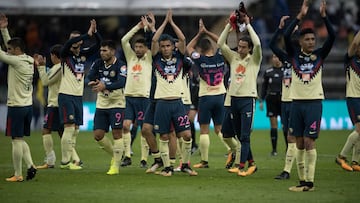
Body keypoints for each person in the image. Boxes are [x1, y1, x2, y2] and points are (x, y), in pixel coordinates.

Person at [284, 0, 335, 191]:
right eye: (307, 39)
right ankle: (302, 181)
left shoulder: (321, 54)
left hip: (314, 103)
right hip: (296, 103)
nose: (311, 42)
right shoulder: (294, 55)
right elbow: (285, 35)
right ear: (300, 42)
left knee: (308, 141)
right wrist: (299, 16)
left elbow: (333, 37)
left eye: (313, 39)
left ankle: (310, 182)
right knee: (298, 142)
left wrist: (324, 17)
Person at [151, 9, 197, 176]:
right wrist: (164, 23)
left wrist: (172, 23)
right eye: (163, 46)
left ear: (173, 46)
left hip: (178, 102)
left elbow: (183, 39)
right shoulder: (155, 59)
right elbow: (155, 39)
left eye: (168, 45)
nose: (164, 48)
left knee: (186, 134)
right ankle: (168, 167)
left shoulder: (179, 58)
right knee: (163, 136)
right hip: (162, 103)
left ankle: (185, 164)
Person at [217, 10, 262, 177]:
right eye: (240, 46)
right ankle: (251, 164)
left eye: (244, 47)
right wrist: (230, 23)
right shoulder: (234, 57)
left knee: (244, 135)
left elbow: (257, 44)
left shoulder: (254, 59)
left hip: (247, 100)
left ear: (249, 49)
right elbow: (220, 44)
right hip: (234, 100)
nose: (240, 49)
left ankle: (241, 166)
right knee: (238, 134)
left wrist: (248, 25)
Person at [186, 18, 231, 168]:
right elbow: (222, 42)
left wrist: (200, 33)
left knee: (204, 130)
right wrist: (208, 33)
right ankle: (233, 149)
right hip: (220, 96)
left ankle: (204, 161)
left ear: (200, 50)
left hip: (205, 97)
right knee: (219, 128)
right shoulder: (220, 56)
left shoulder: (200, 59)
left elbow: (188, 47)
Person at [59, 19, 101, 170]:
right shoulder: (64, 54)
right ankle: (65, 161)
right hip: (66, 95)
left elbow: (99, 45)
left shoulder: (82, 54)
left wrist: (94, 33)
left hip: (78, 96)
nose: (75, 43)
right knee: (69, 128)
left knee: (75, 129)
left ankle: (71, 159)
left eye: (77, 40)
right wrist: (85, 34)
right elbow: (70, 43)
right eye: (72, 40)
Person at [0, 13, 37, 182]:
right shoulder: (28, 59)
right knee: (20, 138)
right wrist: (4, 29)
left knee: (15, 140)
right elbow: (10, 47)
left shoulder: (16, 62)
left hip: (16, 106)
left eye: (10, 50)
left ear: (16, 51)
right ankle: (30, 166)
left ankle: (18, 174)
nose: (8, 52)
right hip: (27, 105)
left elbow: (2, 54)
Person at [86, 40, 127, 175]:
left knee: (116, 133)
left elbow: (121, 82)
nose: (102, 53)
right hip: (102, 104)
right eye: (101, 50)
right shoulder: (98, 63)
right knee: (98, 135)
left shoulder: (121, 65)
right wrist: (92, 82)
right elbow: (89, 77)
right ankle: (117, 156)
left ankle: (115, 166)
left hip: (117, 103)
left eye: (105, 50)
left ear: (113, 51)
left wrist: (105, 86)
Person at [120, 15, 154, 168]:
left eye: (141, 47)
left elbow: (153, 42)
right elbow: (123, 40)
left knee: (143, 128)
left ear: (146, 49)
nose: (138, 49)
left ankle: (144, 158)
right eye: (137, 47)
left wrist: (148, 28)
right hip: (129, 97)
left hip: (143, 98)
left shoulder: (149, 58)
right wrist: (138, 27)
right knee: (126, 126)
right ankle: (127, 156)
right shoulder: (131, 58)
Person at [269, 15, 296, 180]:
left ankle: (288, 170)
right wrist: (279, 28)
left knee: (294, 136)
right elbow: (272, 44)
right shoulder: (285, 59)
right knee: (288, 134)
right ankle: (290, 166)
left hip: (295, 101)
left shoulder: (297, 60)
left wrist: (290, 32)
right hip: (285, 102)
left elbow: (288, 41)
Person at [34, 44, 63, 169]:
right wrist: (43, 67)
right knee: (63, 133)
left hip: (55, 104)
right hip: (59, 103)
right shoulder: (59, 67)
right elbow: (49, 77)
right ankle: (73, 159)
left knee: (46, 130)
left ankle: (50, 160)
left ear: (54, 55)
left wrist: (41, 68)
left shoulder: (58, 67)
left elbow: (45, 81)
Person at [335, 30, 360, 172]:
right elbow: (355, 42)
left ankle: (356, 161)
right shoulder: (349, 60)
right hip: (353, 98)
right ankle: (341, 156)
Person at [259, 54, 284, 156]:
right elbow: (264, 88)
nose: (276, 59)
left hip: (284, 101)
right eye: (274, 57)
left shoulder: (286, 71)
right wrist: (261, 101)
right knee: (273, 125)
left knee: (285, 125)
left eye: (277, 57)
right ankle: (274, 150)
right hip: (271, 100)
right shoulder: (268, 72)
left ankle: (289, 149)